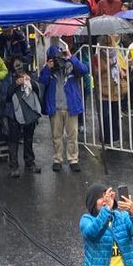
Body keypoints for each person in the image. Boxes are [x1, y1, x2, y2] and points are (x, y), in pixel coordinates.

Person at [40, 42, 88, 172]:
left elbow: (84, 70)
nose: (57, 62)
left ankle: (73, 159)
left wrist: (70, 57)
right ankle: (57, 159)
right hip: (55, 107)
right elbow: (42, 81)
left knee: (73, 135)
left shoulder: (71, 66)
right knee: (57, 136)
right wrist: (47, 68)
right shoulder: (48, 70)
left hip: (71, 106)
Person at [3, 62, 43, 178]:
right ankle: (14, 166)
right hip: (13, 114)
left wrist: (30, 81)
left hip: (29, 112)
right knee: (13, 140)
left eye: (21, 67)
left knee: (29, 139)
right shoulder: (9, 77)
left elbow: (39, 89)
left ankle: (30, 163)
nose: (20, 70)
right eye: (17, 67)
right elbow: (6, 95)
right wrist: (16, 84)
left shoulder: (31, 75)